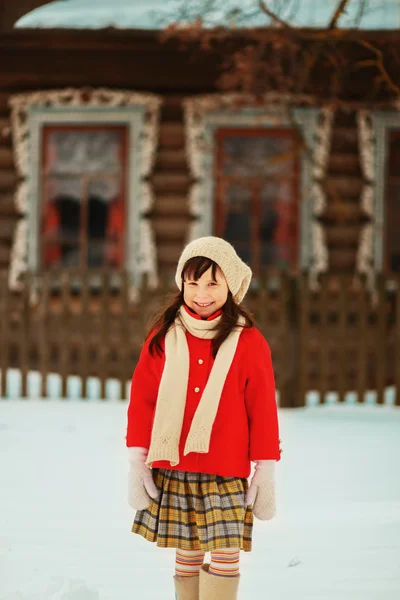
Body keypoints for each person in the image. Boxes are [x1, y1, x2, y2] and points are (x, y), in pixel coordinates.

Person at [126, 236, 281, 600]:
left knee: (226, 552)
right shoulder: (164, 336)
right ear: (182, 283)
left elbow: (262, 407)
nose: (201, 292)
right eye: (193, 282)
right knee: (188, 550)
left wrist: (266, 467)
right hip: (175, 465)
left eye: (213, 282)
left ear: (231, 284)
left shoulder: (248, 341)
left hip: (225, 468)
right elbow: (143, 399)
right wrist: (137, 458)